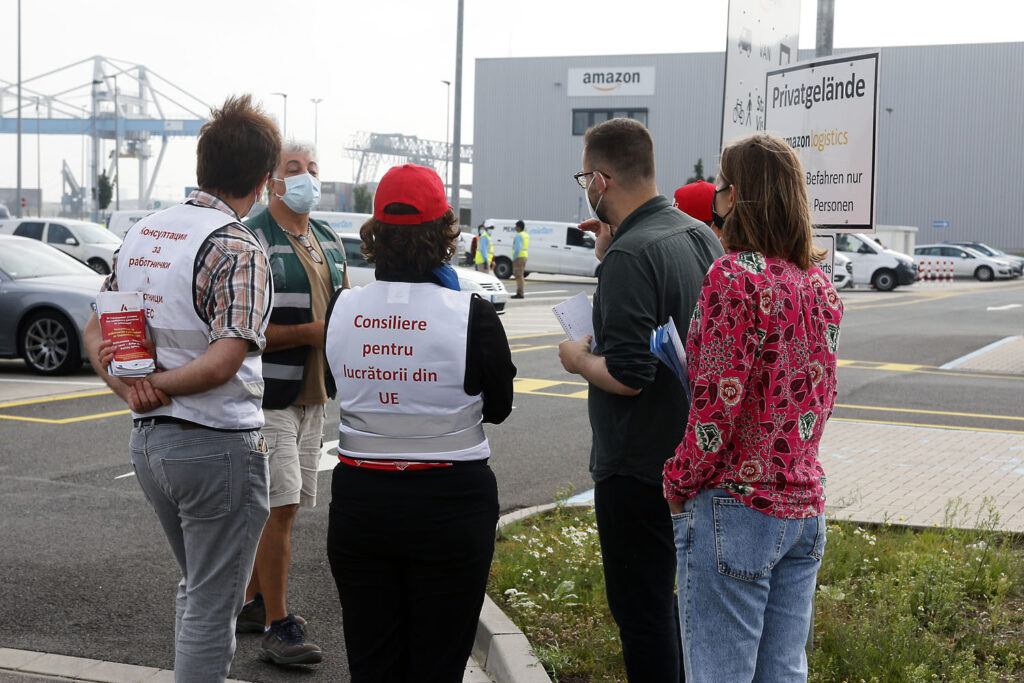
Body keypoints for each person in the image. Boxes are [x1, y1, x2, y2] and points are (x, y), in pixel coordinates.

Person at [84, 94, 279, 682]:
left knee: (197, 588)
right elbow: (223, 362)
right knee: (214, 605)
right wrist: (160, 387)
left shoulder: (144, 232)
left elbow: (97, 327)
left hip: (149, 444)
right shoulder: (237, 246)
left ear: (203, 163)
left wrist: (132, 391)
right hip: (217, 443)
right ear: (265, 181)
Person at [323, 164, 516, 681]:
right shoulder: (472, 314)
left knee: (372, 661)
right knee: (438, 663)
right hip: (452, 505)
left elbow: (330, 384)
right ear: (445, 235)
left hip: (362, 502)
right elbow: (498, 408)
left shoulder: (343, 307)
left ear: (375, 235)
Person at [662, 134, 843, 682]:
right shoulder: (819, 286)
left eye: (720, 187)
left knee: (719, 673)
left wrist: (676, 480)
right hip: (803, 506)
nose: (715, 198)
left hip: (736, 507)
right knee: (784, 672)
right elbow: (820, 397)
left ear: (736, 196)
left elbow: (717, 412)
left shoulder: (733, 277)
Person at [557, 117, 722, 682]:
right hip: (691, 454)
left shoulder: (631, 257)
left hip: (635, 467)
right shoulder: (697, 233)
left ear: (600, 182)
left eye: (586, 179)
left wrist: (577, 358)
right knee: (681, 606)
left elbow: (628, 375)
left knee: (642, 611)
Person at [238, 140, 350, 666]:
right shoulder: (252, 238)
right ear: (272, 179)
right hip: (267, 397)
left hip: (313, 394)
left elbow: (342, 310)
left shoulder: (328, 238)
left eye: (313, 168)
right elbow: (245, 329)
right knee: (279, 506)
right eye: (294, 169)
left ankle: (252, 602)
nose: (306, 177)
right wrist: (312, 332)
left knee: (289, 505)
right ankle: (278, 626)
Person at [511, 219, 529, 298]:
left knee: (518, 275)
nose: (515, 228)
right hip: (524, 256)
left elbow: (517, 248)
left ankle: (520, 293)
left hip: (519, 257)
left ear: (519, 227)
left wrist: (514, 258)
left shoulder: (519, 235)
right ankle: (520, 292)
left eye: (516, 226)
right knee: (520, 275)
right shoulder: (525, 235)